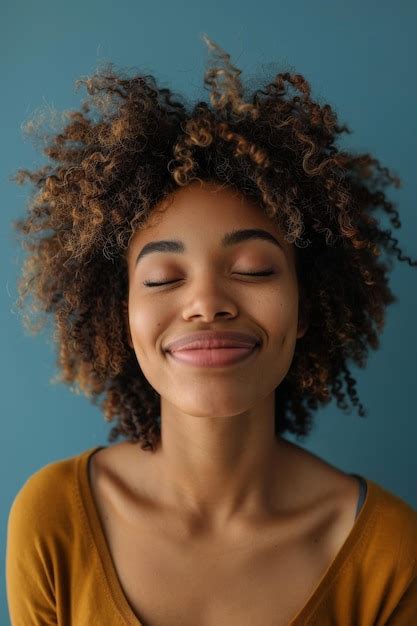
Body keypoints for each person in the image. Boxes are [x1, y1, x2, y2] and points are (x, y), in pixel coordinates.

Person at [6, 34, 417, 625]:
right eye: (162, 278)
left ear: (305, 308)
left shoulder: (389, 552)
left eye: (253, 269)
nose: (206, 303)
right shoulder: (54, 520)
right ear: (122, 316)